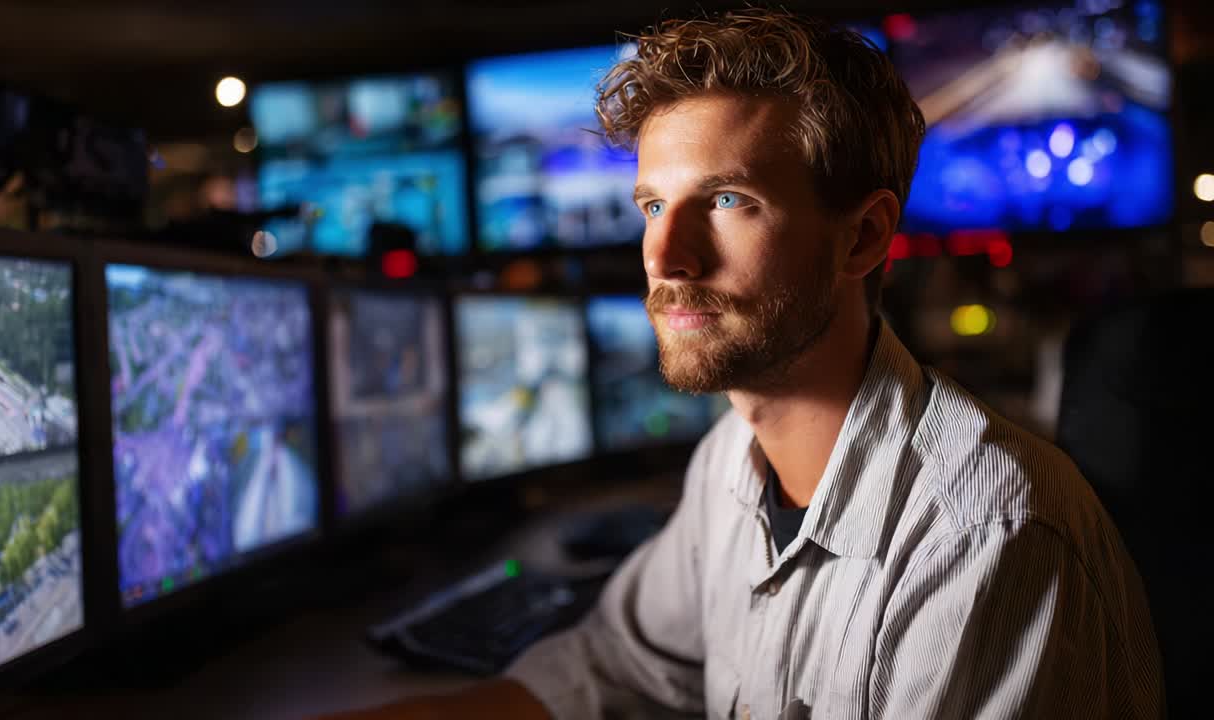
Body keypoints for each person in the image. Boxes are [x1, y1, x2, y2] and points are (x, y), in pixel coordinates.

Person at [319, 8, 1164, 719]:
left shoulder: (984, 538)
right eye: (653, 204)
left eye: (728, 201)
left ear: (863, 237)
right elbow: (610, 669)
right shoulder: (728, 463)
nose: (666, 256)